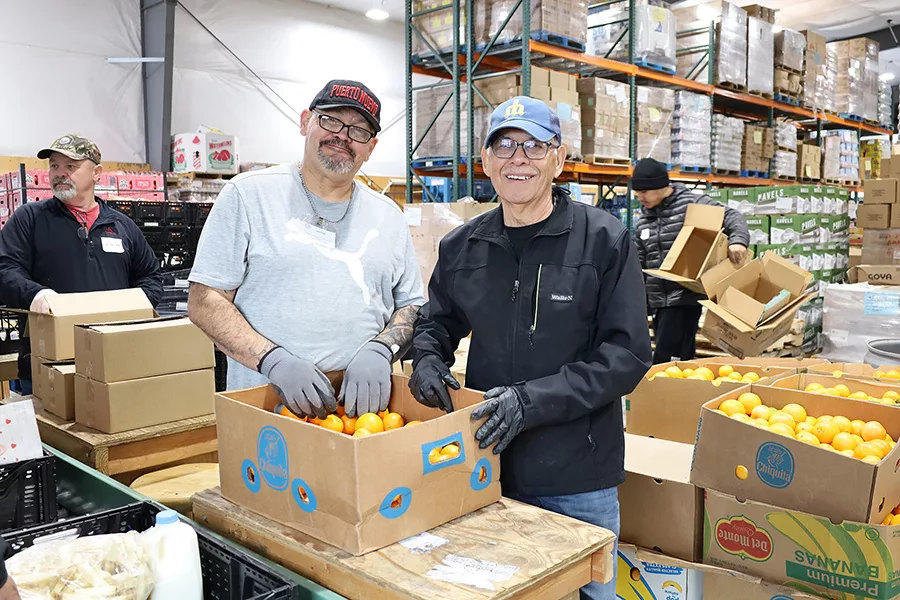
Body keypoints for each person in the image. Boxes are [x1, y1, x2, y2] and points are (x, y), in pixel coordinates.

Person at [409, 97, 652, 600]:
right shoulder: (461, 247)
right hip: (485, 466)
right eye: (504, 145)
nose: (517, 158)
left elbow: (626, 355)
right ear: (485, 161)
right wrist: (427, 357)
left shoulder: (604, 240)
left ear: (558, 160)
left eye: (534, 146)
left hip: (578, 476)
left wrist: (530, 400)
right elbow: (435, 322)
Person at [187, 80, 424, 419]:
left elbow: (412, 305)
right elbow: (205, 300)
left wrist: (382, 349)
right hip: (267, 413)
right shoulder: (248, 195)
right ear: (305, 122)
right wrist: (273, 361)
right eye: (330, 120)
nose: (342, 136)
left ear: (371, 148)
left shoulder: (389, 216)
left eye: (358, 131)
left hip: (364, 417)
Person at [0, 135, 163, 393]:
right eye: (54, 166)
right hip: (50, 366)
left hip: (115, 362)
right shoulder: (29, 219)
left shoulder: (121, 226)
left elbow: (151, 277)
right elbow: (5, 269)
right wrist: (36, 295)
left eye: (70, 166)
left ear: (97, 172)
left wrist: (132, 306)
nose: (60, 174)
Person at [631, 158, 750, 364]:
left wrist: (738, 241)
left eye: (644, 192)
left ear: (661, 186)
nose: (640, 197)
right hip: (659, 302)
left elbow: (732, 216)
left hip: (683, 298)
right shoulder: (643, 219)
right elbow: (640, 260)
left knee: (667, 361)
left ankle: (671, 394)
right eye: (637, 192)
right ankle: (679, 392)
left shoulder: (692, 204)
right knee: (675, 360)